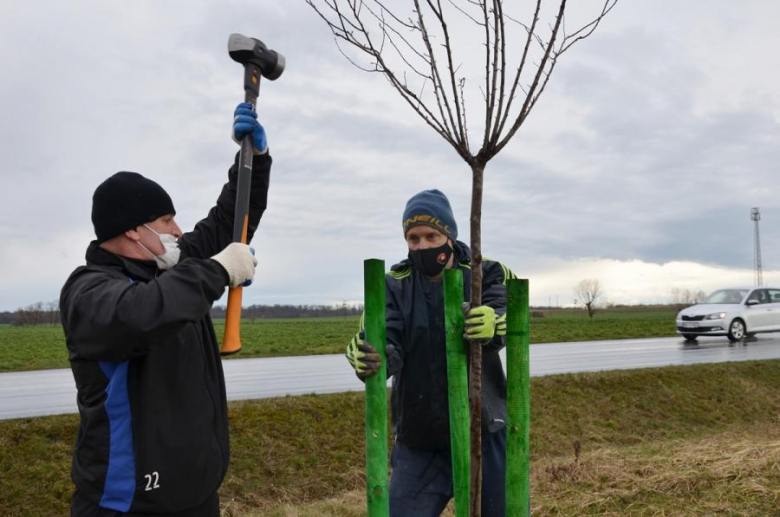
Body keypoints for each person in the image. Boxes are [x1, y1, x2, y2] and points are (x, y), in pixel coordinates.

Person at [60, 103, 271, 516]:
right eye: (167, 220)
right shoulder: (89, 292)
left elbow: (229, 222)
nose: (178, 231)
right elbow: (138, 315)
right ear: (134, 230)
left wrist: (254, 162)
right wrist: (216, 271)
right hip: (128, 503)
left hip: (196, 495)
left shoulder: (172, 270)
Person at [346, 189, 516, 517]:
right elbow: (385, 339)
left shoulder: (486, 272)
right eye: (413, 238)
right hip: (420, 440)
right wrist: (369, 354)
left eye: (431, 235)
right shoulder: (394, 285)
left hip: (483, 432)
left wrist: (494, 323)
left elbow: (509, 306)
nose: (422, 246)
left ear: (449, 236)